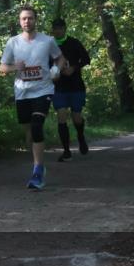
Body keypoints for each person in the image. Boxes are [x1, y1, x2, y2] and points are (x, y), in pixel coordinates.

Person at [0, 5, 67, 190]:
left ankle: (38, 170)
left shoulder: (47, 40)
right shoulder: (13, 42)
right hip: (22, 92)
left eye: (30, 18)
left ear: (36, 20)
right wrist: (15, 68)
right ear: (20, 22)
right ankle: (37, 160)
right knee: (29, 132)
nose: (27, 21)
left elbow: (60, 58)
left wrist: (56, 69)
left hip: (43, 90)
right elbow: (3, 67)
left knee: (37, 125)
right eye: (24, 19)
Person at [50, 18, 91, 161]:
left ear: (65, 29)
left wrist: (73, 68)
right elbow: (44, 64)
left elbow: (86, 59)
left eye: (60, 28)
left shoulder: (74, 43)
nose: (57, 31)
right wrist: (54, 73)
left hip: (75, 86)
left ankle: (80, 136)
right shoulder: (49, 45)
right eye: (55, 28)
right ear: (52, 30)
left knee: (76, 118)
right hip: (59, 87)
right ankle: (66, 151)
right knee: (61, 116)